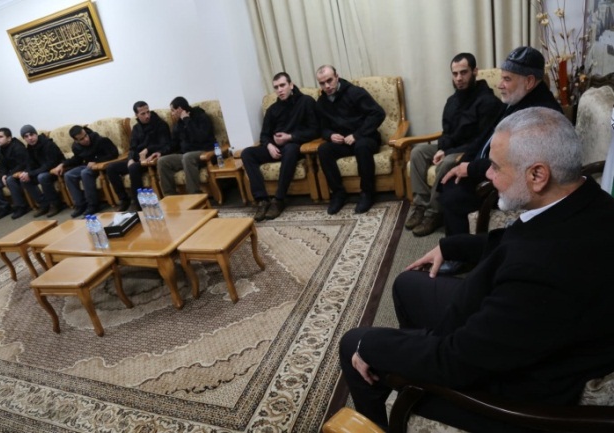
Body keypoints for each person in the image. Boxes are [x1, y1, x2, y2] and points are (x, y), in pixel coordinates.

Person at [339, 107, 614, 433]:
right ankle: (419, 345)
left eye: (497, 168)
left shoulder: (544, 273)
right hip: (503, 326)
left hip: (512, 395)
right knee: (406, 284)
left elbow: (455, 363)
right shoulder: (588, 199)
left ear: (537, 175)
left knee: (355, 341)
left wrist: (374, 348)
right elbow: (518, 241)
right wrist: (450, 245)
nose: (489, 175)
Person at [437, 47, 562, 238]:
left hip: (515, 182)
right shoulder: (517, 100)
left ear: (528, 81)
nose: (500, 85)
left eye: (507, 79)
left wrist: (470, 169)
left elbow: (516, 163)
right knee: (450, 180)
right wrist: (465, 162)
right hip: (490, 168)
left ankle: (461, 256)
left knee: (452, 194)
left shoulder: (541, 115)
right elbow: (484, 137)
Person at [405, 53, 502, 236]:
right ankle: (420, 205)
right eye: (455, 74)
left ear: (475, 72)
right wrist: (441, 147)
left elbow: (482, 141)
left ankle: (435, 212)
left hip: (469, 153)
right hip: (450, 149)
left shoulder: (488, 102)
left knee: (448, 161)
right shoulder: (452, 101)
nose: (459, 78)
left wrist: (448, 151)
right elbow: (447, 132)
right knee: (418, 152)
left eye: (463, 73)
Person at [241, 72, 319, 221]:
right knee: (247, 153)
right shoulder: (272, 110)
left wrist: (290, 137)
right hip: (275, 148)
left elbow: (315, 129)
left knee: (290, 148)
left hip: (296, 146)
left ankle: (279, 199)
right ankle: (262, 200)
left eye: (282, 85)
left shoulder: (306, 101)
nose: (280, 90)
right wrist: (269, 145)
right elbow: (264, 135)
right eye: (276, 87)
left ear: (291, 85)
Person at [315, 65, 386, 215]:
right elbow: (322, 128)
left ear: (337, 77)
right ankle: (339, 193)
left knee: (361, 146)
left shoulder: (355, 92)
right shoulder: (321, 102)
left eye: (329, 80)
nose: (327, 86)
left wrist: (357, 135)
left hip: (366, 138)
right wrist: (330, 135)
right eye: (322, 83)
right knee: (324, 150)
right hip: (343, 143)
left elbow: (378, 113)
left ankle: (367, 193)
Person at [107, 101, 171, 211]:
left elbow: (165, 144)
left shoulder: (160, 124)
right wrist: (131, 158)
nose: (147, 116)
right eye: (143, 114)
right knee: (111, 167)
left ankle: (138, 203)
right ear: (136, 115)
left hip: (153, 159)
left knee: (133, 167)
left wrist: (148, 149)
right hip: (138, 159)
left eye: (148, 112)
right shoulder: (136, 128)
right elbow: (132, 147)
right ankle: (124, 199)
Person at [51, 125, 119, 218]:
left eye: (86, 135)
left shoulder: (100, 140)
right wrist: (63, 164)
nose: (86, 139)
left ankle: (93, 205)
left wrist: (96, 161)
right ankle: (80, 205)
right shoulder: (76, 147)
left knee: (85, 173)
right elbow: (77, 159)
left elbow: (114, 154)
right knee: (68, 175)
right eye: (82, 139)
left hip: (100, 167)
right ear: (76, 141)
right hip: (87, 166)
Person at [157, 96, 215, 197]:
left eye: (173, 110)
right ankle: (170, 197)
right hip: (186, 156)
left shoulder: (200, 116)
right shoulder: (178, 124)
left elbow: (201, 137)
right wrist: (160, 152)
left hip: (204, 152)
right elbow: (174, 144)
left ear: (180, 109)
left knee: (187, 157)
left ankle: (194, 196)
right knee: (162, 161)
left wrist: (187, 120)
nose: (172, 113)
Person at [18, 125, 66, 218]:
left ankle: (56, 204)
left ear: (36, 134)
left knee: (42, 177)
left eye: (31, 134)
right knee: (23, 179)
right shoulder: (29, 148)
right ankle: (44, 204)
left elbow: (50, 164)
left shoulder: (48, 144)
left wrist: (31, 173)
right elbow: (29, 165)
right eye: (26, 136)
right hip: (41, 171)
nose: (30, 138)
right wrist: (26, 173)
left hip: (55, 170)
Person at [0, 127, 32, 220]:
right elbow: (2, 167)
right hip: (9, 174)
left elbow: (22, 165)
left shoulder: (18, 147)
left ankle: (22, 206)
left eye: (0, 137)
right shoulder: (1, 150)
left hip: (20, 173)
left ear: (9, 138)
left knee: (10, 179)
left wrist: (8, 175)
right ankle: (5, 207)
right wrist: (2, 175)